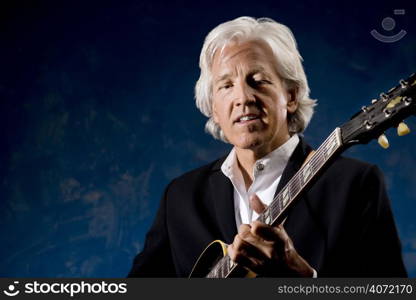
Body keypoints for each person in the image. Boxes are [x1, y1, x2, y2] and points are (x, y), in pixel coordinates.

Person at [128, 16, 407, 277]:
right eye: (226, 86)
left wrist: (299, 278)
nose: (243, 97)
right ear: (214, 108)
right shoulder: (181, 196)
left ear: (291, 95)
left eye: (258, 81)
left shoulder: (354, 184)